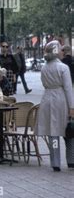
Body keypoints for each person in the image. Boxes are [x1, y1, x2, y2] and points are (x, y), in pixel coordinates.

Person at [36, 41, 74, 171]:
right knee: (68, 131)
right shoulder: (63, 68)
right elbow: (68, 88)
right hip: (61, 99)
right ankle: (71, 160)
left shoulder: (44, 68)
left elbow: (43, 83)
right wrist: (72, 107)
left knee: (53, 132)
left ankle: (55, 163)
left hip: (47, 99)